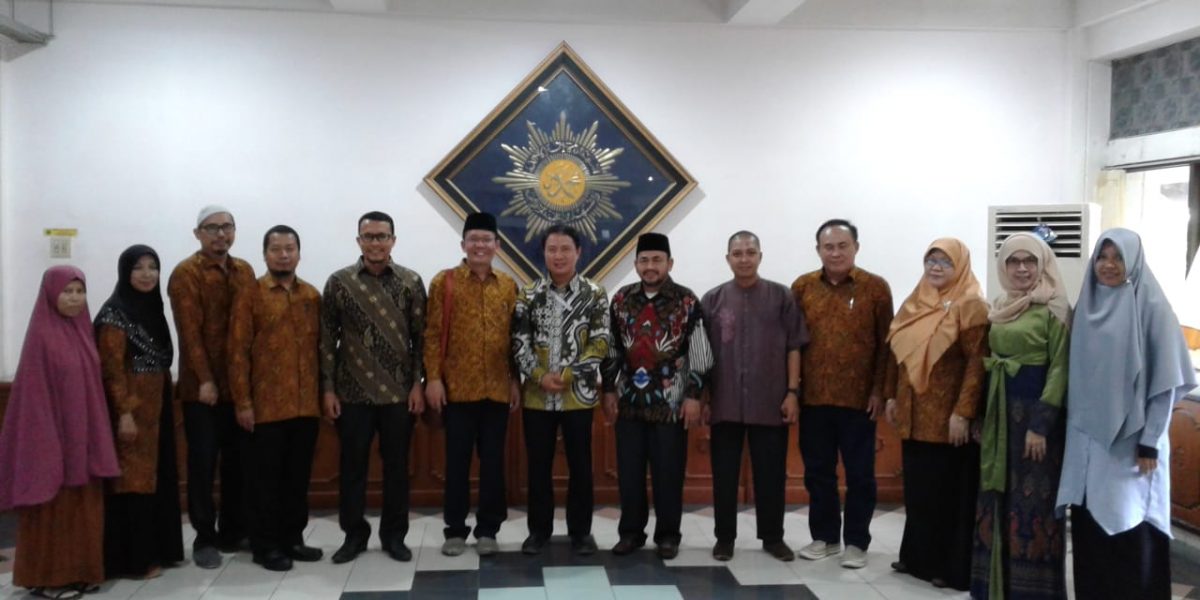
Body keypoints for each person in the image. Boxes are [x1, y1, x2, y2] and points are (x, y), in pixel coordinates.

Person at [1055, 228, 1197, 600]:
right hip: (1086, 442)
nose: (1109, 265)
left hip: (1131, 446)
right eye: (1102, 257)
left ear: (1133, 260)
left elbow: (1166, 383)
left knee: (1129, 522)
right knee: (1090, 525)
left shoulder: (1152, 307)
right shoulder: (1087, 305)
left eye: (1118, 257)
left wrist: (1150, 441)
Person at [0, 266, 120, 599]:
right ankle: (51, 579)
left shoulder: (83, 332)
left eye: (80, 291)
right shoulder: (41, 338)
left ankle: (81, 573)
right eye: (67, 291)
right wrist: (50, 444)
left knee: (84, 510)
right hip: (54, 442)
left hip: (84, 441)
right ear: (51, 294)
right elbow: (34, 398)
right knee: (55, 511)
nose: (74, 298)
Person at [321, 211, 427, 564]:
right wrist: (328, 389)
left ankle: (394, 537)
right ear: (359, 241)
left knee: (397, 469)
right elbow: (327, 339)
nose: (376, 243)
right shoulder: (339, 283)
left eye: (382, 236)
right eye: (369, 237)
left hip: (399, 394)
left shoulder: (411, 281)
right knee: (352, 468)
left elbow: (420, 340)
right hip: (352, 394)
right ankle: (354, 536)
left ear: (393, 240)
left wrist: (418, 384)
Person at [970, 232, 1071, 599]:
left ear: (1042, 264)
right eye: (1014, 261)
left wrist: (1040, 426)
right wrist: (981, 416)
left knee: (1033, 503)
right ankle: (993, 586)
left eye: (1030, 261)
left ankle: (1033, 592)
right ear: (1004, 266)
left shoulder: (1055, 308)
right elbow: (988, 364)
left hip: (1034, 421)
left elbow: (1059, 369)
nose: (1022, 268)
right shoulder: (999, 304)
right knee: (995, 496)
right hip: (999, 416)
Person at [884, 237, 989, 591]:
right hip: (913, 415)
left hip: (948, 419)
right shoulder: (915, 301)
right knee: (919, 491)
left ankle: (947, 566)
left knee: (948, 495)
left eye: (945, 262)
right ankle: (917, 558)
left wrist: (964, 412)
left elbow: (977, 364)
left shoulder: (971, 304)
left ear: (960, 266)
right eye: (931, 260)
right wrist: (892, 396)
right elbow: (897, 355)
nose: (936, 267)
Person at [601, 232, 713, 560]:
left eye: (657, 260)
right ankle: (630, 533)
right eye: (644, 260)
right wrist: (608, 388)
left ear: (670, 263)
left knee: (668, 474)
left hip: (671, 404)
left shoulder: (687, 301)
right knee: (629, 474)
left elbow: (700, 352)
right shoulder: (621, 299)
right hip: (629, 404)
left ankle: (668, 535)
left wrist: (694, 396)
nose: (650, 266)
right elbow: (611, 348)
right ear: (636, 264)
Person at [791, 219, 893, 569]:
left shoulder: (875, 288)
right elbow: (792, 344)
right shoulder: (802, 287)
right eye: (828, 247)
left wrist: (879, 390)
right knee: (818, 473)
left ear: (856, 248)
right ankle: (825, 537)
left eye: (842, 246)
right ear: (818, 250)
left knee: (860, 475)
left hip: (859, 401)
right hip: (813, 399)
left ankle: (857, 543)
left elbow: (886, 345)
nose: (835, 253)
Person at [702, 230, 807, 563]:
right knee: (724, 475)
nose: (744, 259)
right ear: (728, 258)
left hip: (770, 400)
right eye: (737, 253)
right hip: (724, 401)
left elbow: (794, 346)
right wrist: (704, 397)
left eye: (750, 252)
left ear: (760, 256)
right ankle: (724, 538)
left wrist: (792, 392)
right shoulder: (713, 300)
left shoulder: (781, 296)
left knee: (771, 474)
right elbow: (701, 354)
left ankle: (773, 537)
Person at [422, 212, 520, 558]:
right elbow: (432, 334)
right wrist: (433, 379)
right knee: (457, 464)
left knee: (493, 465)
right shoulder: (444, 282)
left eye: (486, 240)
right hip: (457, 390)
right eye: (473, 240)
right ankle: (455, 530)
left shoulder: (507, 285)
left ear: (497, 245)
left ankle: (488, 530)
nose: (480, 245)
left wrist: (515, 381)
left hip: (497, 390)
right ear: (463, 244)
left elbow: (515, 339)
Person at [229, 225, 323, 572]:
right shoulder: (250, 296)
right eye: (276, 249)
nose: (284, 255)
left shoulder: (311, 296)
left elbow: (321, 350)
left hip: (305, 406)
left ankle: (293, 539)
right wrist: (242, 402)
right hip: (265, 408)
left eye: (289, 249)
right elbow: (237, 353)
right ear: (265, 254)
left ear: (299, 253)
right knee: (264, 482)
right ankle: (265, 545)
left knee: (296, 480)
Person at [512, 224, 610, 556]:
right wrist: (538, 375)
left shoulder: (595, 294)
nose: (558, 255)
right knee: (538, 467)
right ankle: (538, 532)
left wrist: (569, 374)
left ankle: (581, 532)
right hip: (537, 397)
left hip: (578, 396)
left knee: (581, 467)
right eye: (552, 249)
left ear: (578, 252)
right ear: (544, 253)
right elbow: (519, 342)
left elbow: (600, 342)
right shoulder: (528, 294)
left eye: (565, 249)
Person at [167, 205, 256, 569]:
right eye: (212, 228)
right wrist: (205, 379)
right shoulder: (186, 273)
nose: (221, 234)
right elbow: (189, 333)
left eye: (227, 226)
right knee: (203, 465)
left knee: (238, 463)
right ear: (197, 233)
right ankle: (205, 537)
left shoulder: (244, 270)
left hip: (239, 387)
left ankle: (234, 531)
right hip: (201, 391)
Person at [95, 246, 184, 580]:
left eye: (153, 267)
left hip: (156, 408)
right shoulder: (114, 315)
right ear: (125, 272)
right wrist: (124, 414)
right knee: (131, 483)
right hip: (130, 413)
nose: (147, 274)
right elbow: (111, 371)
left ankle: (159, 551)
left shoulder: (152, 309)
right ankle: (132, 561)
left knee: (155, 479)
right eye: (138, 268)